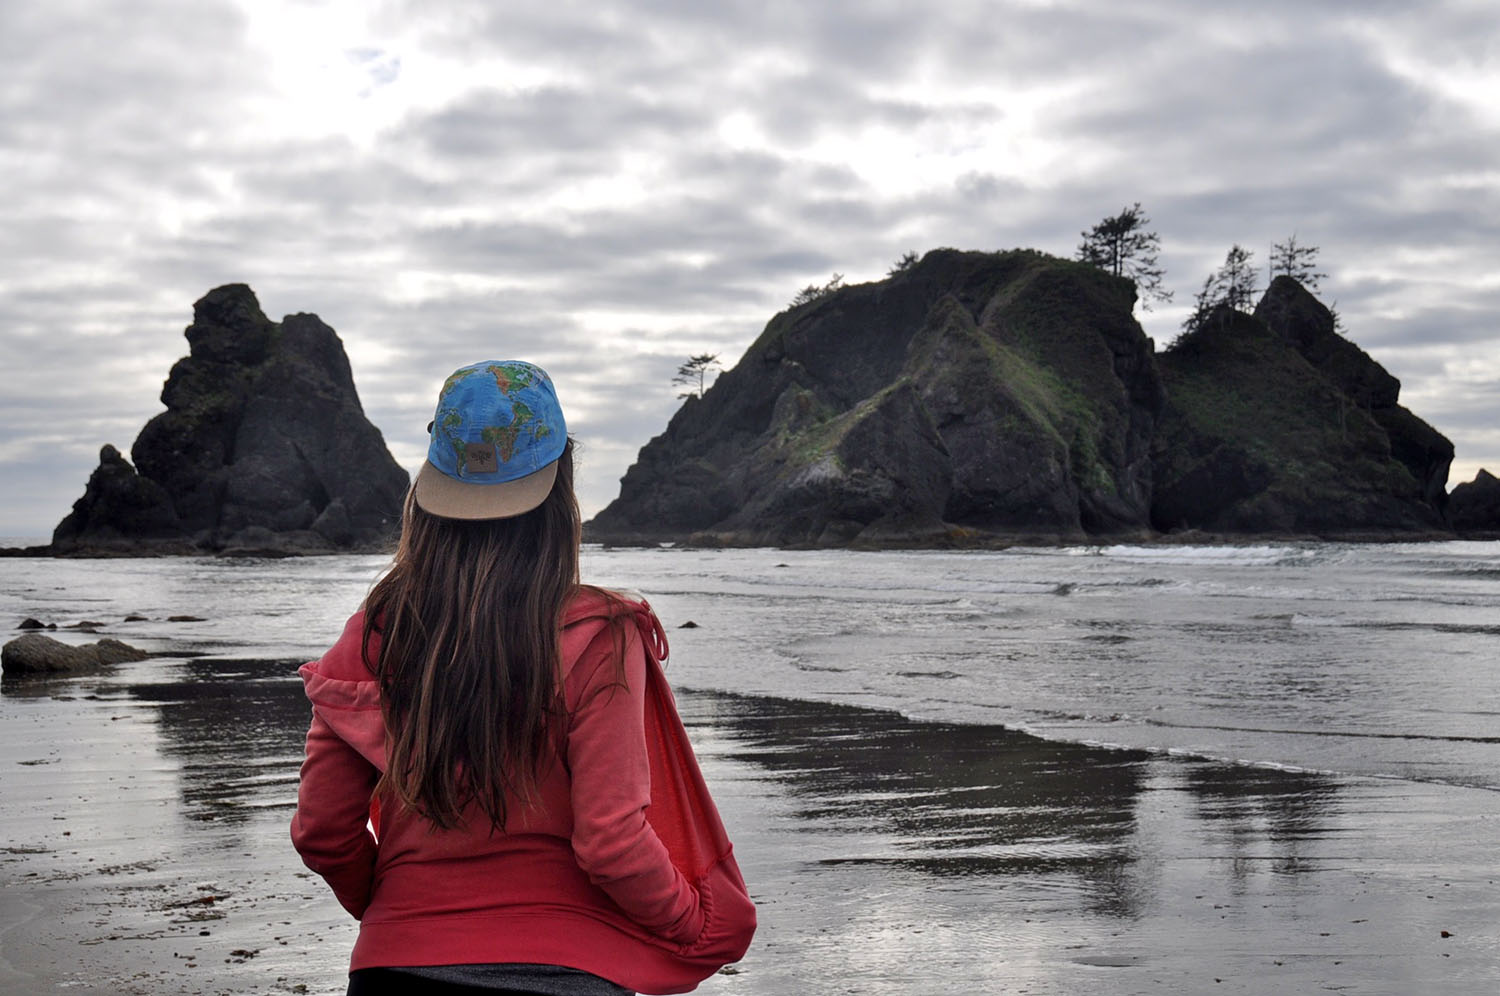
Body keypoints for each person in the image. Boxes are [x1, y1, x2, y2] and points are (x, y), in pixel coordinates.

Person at [291, 360, 751, 996]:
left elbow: (321, 831)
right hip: (570, 970)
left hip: (394, 965)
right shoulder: (601, 635)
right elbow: (610, 840)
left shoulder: (373, 634)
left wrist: (400, 910)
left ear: (430, 488)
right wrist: (690, 923)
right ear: (561, 484)